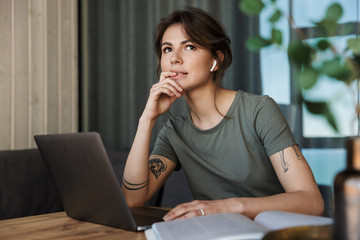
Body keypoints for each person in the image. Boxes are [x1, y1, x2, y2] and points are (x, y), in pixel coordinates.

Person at [121, 7, 324, 221]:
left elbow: (312, 202)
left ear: (215, 60)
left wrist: (229, 206)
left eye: (189, 47)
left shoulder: (259, 110)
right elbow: (132, 200)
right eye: (167, 49)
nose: (175, 59)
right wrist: (147, 119)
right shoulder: (174, 131)